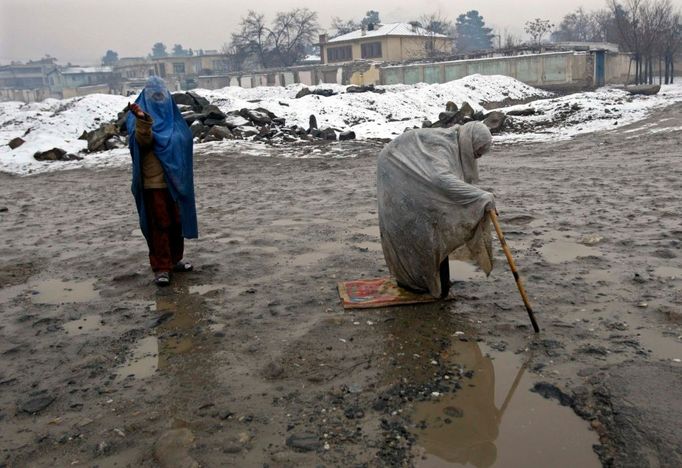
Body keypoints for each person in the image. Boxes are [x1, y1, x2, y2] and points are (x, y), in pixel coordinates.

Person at [377, 121, 495, 298]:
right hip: (395, 168)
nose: (476, 158)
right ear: (470, 142)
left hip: (409, 172)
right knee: (410, 226)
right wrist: (479, 196)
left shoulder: (454, 143)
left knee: (433, 226)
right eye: (476, 153)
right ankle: (414, 282)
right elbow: (439, 179)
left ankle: (429, 279)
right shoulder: (443, 145)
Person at [127, 76, 198, 286]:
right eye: (154, 95)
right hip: (153, 182)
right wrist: (142, 119)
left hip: (176, 182)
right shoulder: (139, 119)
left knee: (176, 223)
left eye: (161, 95)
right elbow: (143, 141)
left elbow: (185, 140)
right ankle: (161, 267)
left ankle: (175, 260)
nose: (158, 99)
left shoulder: (173, 117)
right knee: (160, 225)